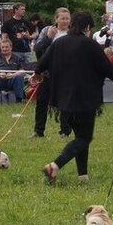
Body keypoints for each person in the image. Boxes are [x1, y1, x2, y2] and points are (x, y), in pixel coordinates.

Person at [34, 12, 113, 185]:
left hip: (63, 100)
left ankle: (83, 176)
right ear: (87, 27)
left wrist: (36, 75)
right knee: (84, 138)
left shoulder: (59, 43)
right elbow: (108, 69)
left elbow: (41, 63)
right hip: (85, 99)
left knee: (81, 136)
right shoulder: (90, 45)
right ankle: (54, 166)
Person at [31, 7, 72, 139]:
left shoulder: (73, 33)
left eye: (67, 18)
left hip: (66, 73)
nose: (65, 21)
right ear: (56, 19)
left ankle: (65, 131)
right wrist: (49, 38)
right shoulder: (47, 30)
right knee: (42, 101)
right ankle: (38, 131)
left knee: (64, 103)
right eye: (62, 18)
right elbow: (37, 48)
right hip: (47, 73)